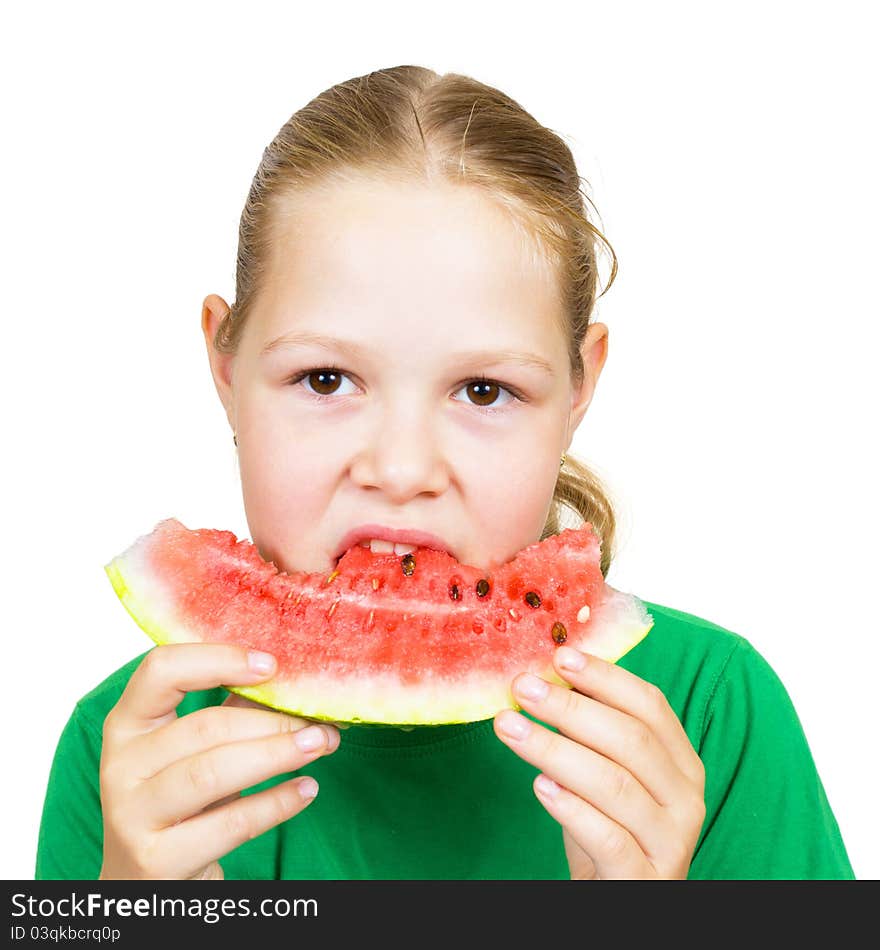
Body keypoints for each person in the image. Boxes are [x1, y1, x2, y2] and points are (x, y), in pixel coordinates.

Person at [35, 65, 853, 881]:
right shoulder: (133, 761)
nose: (400, 468)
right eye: (325, 380)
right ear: (226, 364)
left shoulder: (710, 710)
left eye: (484, 390)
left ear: (579, 387)